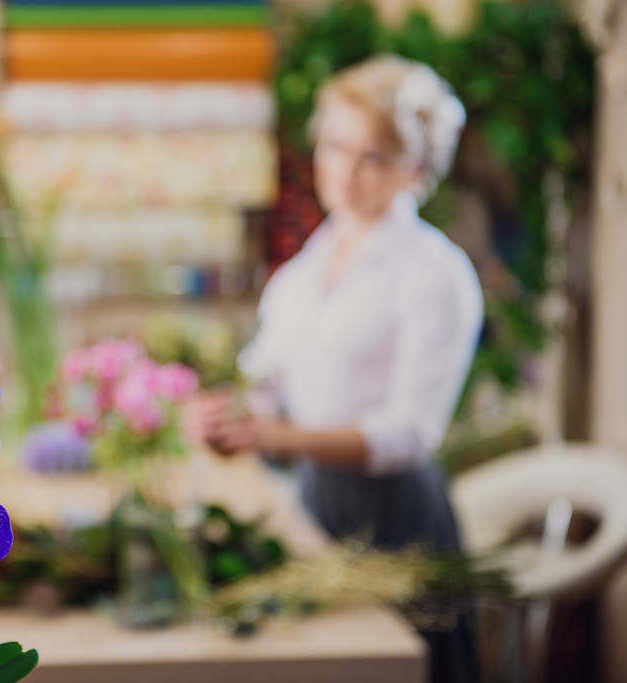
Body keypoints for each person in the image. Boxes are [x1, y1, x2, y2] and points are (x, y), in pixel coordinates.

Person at [195, 55, 482, 683]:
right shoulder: (307, 265)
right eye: (334, 146)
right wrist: (229, 415)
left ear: (418, 167)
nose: (347, 171)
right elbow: (265, 376)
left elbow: (411, 434)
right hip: (315, 504)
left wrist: (275, 437)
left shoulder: (436, 274)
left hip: (399, 518)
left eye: (374, 156)